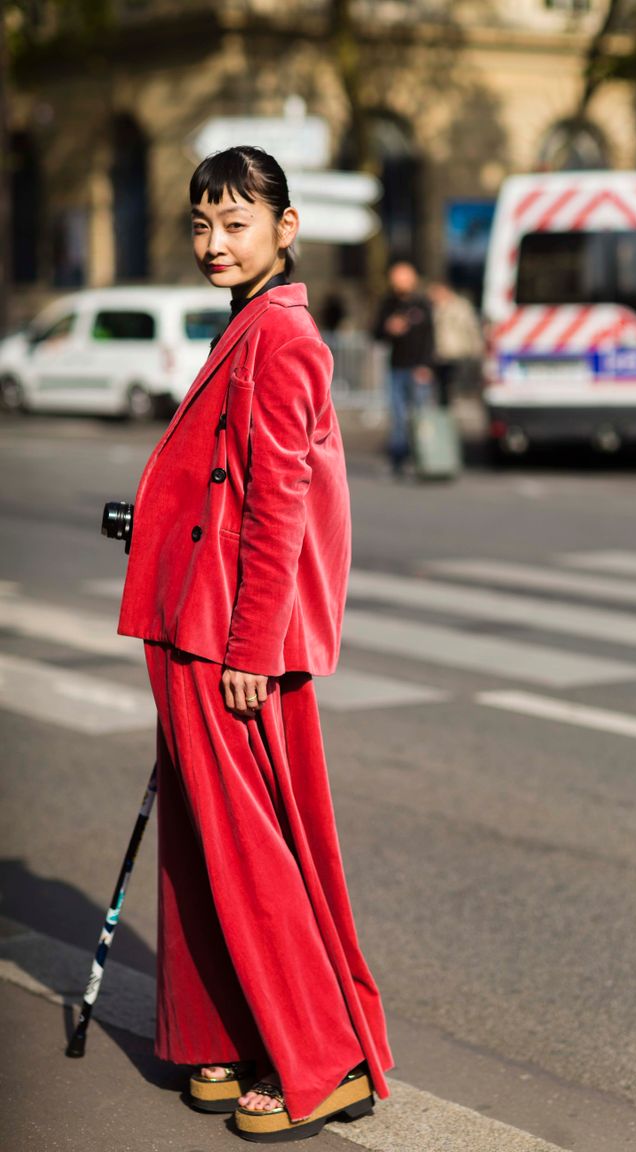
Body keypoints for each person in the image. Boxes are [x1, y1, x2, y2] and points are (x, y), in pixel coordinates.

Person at [116, 146, 392, 1143]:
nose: (214, 242)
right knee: (203, 848)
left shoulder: (284, 338)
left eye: (236, 222)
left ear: (286, 228)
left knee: (249, 855)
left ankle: (321, 1061)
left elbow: (280, 507)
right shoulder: (249, 325)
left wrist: (248, 647)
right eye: (201, 223)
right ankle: (222, 1040)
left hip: (229, 639)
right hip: (196, 620)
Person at [373, 260, 434, 473]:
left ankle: (423, 459)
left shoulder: (422, 303)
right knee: (398, 416)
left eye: (403, 276)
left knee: (420, 416)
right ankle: (398, 460)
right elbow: (376, 334)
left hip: (418, 368)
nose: (399, 281)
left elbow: (430, 337)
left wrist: (426, 365)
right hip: (396, 367)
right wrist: (389, 329)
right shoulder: (388, 304)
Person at [427, 280, 484, 407]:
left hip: (458, 353)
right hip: (439, 355)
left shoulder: (461, 307)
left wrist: (477, 350)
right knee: (441, 391)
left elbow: (472, 329)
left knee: (457, 390)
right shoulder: (432, 308)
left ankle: (455, 417)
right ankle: (444, 417)